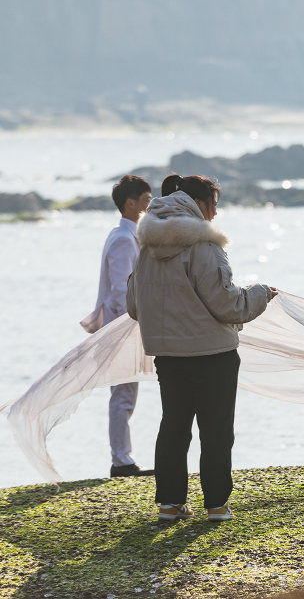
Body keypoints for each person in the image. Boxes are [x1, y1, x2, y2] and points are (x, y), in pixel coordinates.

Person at [126, 173, 276, 521]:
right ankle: (217, 505)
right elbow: (229, 306)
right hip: (213, 355)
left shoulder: (146, 248)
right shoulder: (205, 247)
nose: (215, 215)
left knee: (173, 427)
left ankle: (170, 504)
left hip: (168, 355)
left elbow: (134, 307)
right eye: (214, 206)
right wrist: (260, 293)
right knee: (216, 430)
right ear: (200, 205)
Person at [80, 174, 153, 478]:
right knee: (123, 393)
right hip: (122, 327)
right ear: (130, 203)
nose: (149, 207)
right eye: (146, 202)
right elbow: (122, 291)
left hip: (122, 324)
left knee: (124, 392)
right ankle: (121, 461)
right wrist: (130, 327)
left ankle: (122, 458)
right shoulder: (124, 239)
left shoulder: (122, 235)